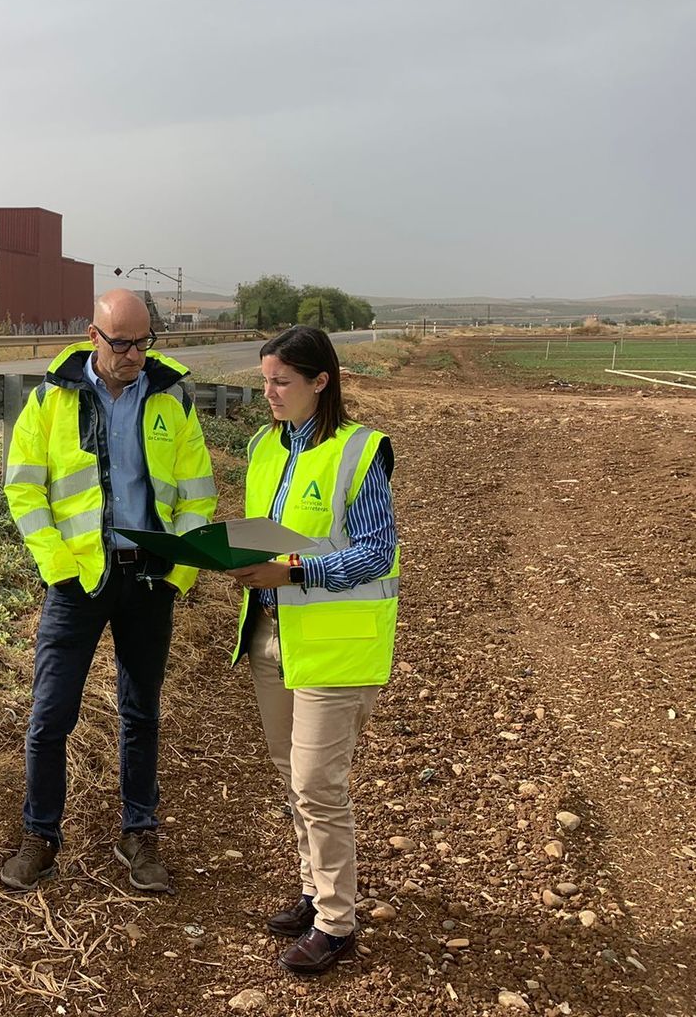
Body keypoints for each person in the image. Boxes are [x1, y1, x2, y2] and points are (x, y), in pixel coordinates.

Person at [0, 289, 217, 893]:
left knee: (141, 711)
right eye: (120, 342)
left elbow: (197, 496)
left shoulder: (171, 399)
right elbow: (24, 489)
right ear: (91, 334)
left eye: (143, 342)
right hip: (76, 582)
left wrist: (181, 571)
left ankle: (139, 834)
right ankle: (40, 837)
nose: (132, 355)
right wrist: (57, 566)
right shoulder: (50, 400)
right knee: (50, 716)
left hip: (150, 578)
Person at [224, 325, 400, 974]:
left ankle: (336, 923)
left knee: (316, 785)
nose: (267, 392)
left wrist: (293, 572)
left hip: (335, 646)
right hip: (270, 635)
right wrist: (238, 560)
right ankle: (312, 889)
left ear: (320, 382)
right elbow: (265, 536)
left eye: (281, 382)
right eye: (264, 378)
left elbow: (376, 553)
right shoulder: (263, 448)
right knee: (288, 778)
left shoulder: (361, 452)